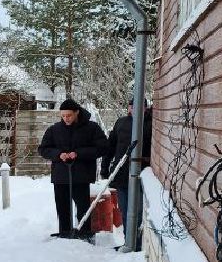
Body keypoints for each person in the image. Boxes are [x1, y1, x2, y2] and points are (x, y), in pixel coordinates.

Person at [38, 98, 109, 240]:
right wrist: (58, 155)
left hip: (81, 175)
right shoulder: (54, 129)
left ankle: (84, 234)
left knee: (83, 208)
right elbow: (43, 149)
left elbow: (103, 147)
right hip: (60, 176)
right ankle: (64, 234)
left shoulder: (91, 128)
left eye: (69, 115)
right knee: (63, 208)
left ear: (77, 112)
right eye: (63, 116)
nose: (66, 119)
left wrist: (79, 153)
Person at [103, 100, 152, 236]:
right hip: (122, 173)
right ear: (129, 108)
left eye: (139, 106)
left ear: (145, 108)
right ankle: (128, 240)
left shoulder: (151, 124)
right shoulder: (121, 122)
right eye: (132, 106)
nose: (135, 109)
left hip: (142, 173)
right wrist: (104, 167)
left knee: (137, 211)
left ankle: (136, 242)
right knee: (125, 209)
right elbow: (111, 146)